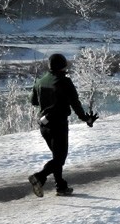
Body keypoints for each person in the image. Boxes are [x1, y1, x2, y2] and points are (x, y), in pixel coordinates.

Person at [28, 53, 98, 197]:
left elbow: (33, 101)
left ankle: (61, 186)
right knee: (60, 158)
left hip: (43, 125)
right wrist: (86, 119)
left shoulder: (40, 81)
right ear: (63, 65)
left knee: (56, 156)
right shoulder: (64, 81)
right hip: (58, 124)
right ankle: (39, 177)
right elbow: (75, 103)